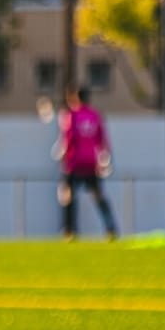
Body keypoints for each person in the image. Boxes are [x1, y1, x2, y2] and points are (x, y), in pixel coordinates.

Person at [55, 86, 118, 241]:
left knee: (68, 196)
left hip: (75, 163)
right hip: (91, 162)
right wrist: (105, 159)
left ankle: (70, 231)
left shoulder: (71, 115)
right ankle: (111, 229)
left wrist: (62, 156)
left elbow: (69, 138)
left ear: (74, 98)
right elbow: (102, 140)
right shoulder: (95, 115)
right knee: (99, 196)